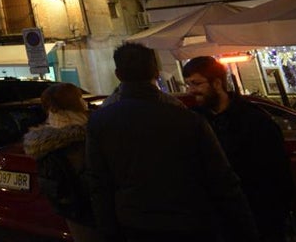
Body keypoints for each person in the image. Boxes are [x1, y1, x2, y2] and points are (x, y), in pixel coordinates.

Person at [86, 41, 258, 242]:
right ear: (156, 73)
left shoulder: (100, 122)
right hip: (189, 221)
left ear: (118, 75)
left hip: (135, 224)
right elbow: (222, 179)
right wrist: (245, 229)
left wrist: (108, 231)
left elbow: (98, 184)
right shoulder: (187, 118)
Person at [182, 55, 294, 242]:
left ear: (217, 83)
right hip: (217, 218)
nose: (191, 90)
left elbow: (277, 171)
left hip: (258, 213)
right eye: (188, 84)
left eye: (196, 84)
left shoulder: (253, 120)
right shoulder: (193, 121)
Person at [22, 82, 100, 242]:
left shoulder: (47, 139)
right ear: (75, 102)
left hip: (71, 212)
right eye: (80, 97)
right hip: (95, 211)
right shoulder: (84, 133)